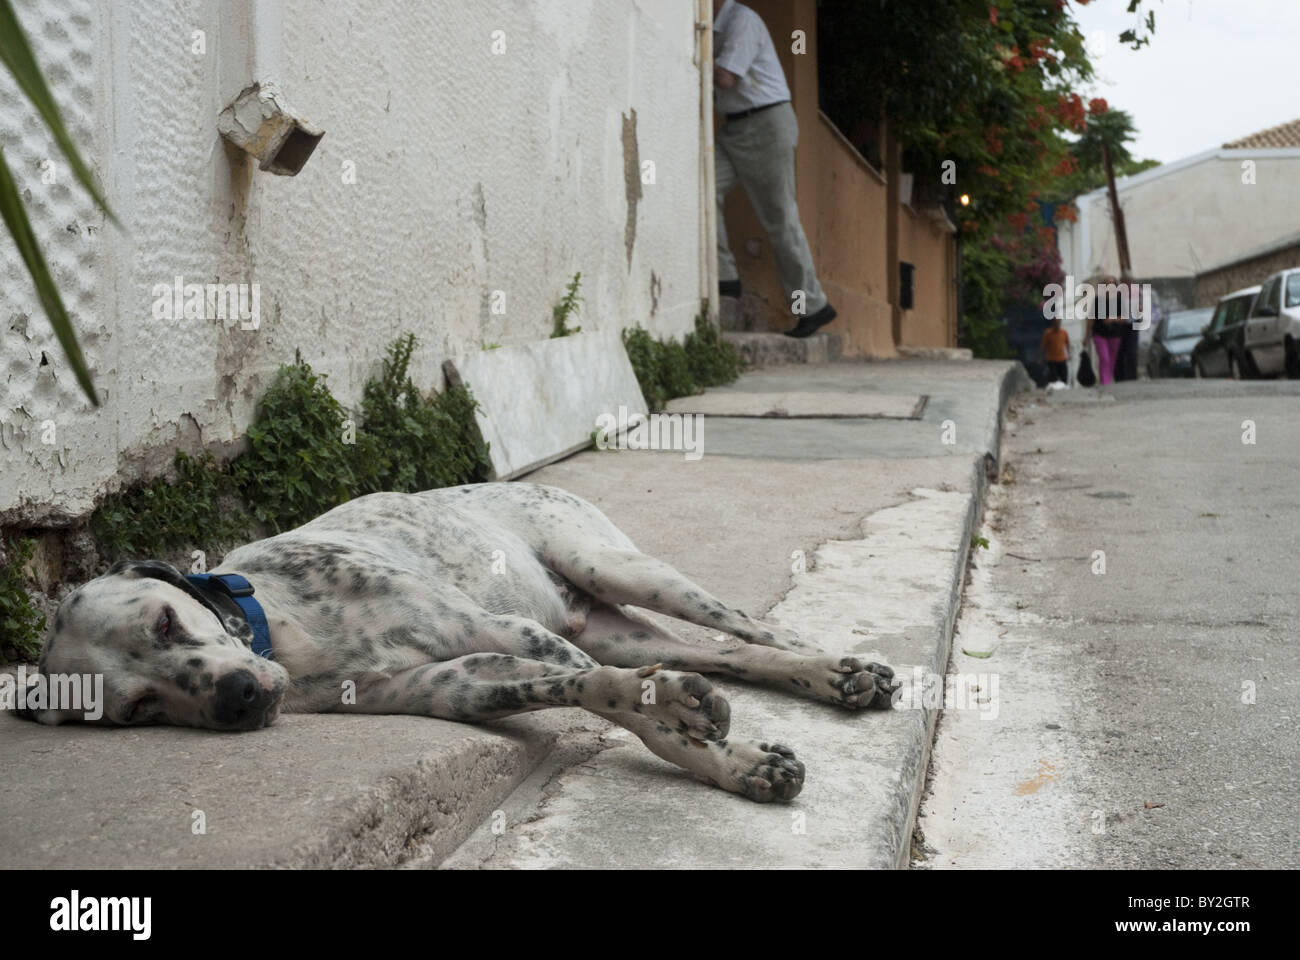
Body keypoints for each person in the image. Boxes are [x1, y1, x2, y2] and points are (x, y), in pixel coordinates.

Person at [712, 0, 836, 339]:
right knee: (703, 191)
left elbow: (725, 77)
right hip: (735, 128)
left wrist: (686, 56)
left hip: (765, 124)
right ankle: (726, 277)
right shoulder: (711, 28)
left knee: (780, 221)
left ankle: (811, 306)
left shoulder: (742, 21)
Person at [1084, 274, 1126, 386]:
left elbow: (1124, 318)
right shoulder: (1097, 301)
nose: (1110, 286)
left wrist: (1112, 319)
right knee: (1104, 358)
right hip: (1099, 334)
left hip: (1115, 335)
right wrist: (1086, 337)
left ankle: (1108, 379)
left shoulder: (1119, 300)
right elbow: (1090, 320)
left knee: (1111, 360)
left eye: (1112, 284)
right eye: (1107, 284)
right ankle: (1105, 382)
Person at [1039, 315, 1071, 385]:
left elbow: (1067, 344)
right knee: (1053, 379)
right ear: (1053, 322)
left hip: (1062, 358)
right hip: (1052, 360)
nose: (1058, 323)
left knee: (1064, 378)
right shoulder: (1047, 333)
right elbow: (1043, 347)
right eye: (1056, 322)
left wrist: (1069, 354)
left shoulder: (1064, 332)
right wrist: (1041, 358)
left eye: (1059, 322)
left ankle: (1064, 389)